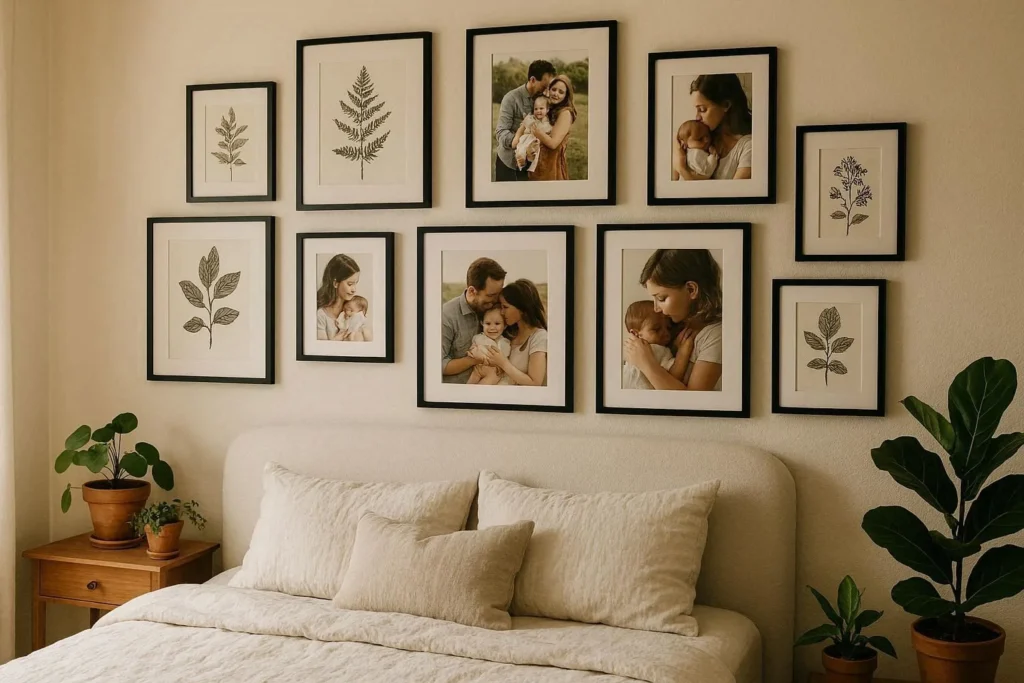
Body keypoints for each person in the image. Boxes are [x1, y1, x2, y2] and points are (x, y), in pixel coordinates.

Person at [623, 249, 723, 391]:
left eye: (661, 298)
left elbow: (695, 404)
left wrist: (646, 364)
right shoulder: (672, 328)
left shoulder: (716, 335)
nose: (656, 308)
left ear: (691, 289)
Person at [672, 74, 752, 181]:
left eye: (702, 109)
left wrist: (682, 169)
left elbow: (735, 196)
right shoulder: (695, 138)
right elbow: (672, 189)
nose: (697, 117)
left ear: (726, 105)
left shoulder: (749, 147)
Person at [441, 257, 506, 383]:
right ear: (472, 291)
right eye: (491, 295)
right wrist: (475, 359)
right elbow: (439, 365)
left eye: (499, 293)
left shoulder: (496, 307)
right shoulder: (446, 316)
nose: (495, 300)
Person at [478, 279, 548, 386]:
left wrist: (503, 363)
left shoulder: (539, 337)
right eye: (501, 307)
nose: (502, 312)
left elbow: (535, 383)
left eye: (505, 307)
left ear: (522, 308)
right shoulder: (509, 334)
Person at [494, 60, 555, 182]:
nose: (546, 91)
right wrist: (522, 145)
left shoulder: (545, 99)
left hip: (533, 166)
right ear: (532, 80)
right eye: (544, 86)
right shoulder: (511, 98)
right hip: (509, 164)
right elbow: (501, 133)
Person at [621, 300, 694, 390]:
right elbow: (674, 377)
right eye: (656, 329)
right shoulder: (659, 349)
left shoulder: (629, 350)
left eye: (668, 328)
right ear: (636, 334)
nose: (666, 333)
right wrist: (683, 353)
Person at [529, 75, 578, 182]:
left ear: (566, 95)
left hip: (552, 165)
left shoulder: (565, 113)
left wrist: (536, 131)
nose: (556, 94)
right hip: (540, 163)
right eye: (554, 89)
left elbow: (553, 143)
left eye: (561, 92)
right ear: (548, 90)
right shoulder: (548, 109)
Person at [316, 254, 373, 342]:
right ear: (335, 283)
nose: (354, 289)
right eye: (350, 284)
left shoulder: (355, 308)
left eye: (355, 283)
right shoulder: (321, 315)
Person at [467, 307, 512, 385]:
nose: (492, 328)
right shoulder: (478, 338)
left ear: (505, 326)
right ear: (482, 323)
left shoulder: (504, 343)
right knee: (468, 387)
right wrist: (473, 352)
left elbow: (504, 361)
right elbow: (472, 350)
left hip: (493, 373)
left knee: (481, 389)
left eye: (497, 324)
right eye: (488, 323)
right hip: (477, 370)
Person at [511, 94, 553, 172]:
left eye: (541, 108)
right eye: (536, 109)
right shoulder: (531, 118)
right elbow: (525, 124)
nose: (538, 111)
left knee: (533, 150)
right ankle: (521, 162)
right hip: (526, 138)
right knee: (520, 149)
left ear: (547, 110)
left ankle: (528, 162)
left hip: (535, 139)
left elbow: (546, 129)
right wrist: (526, 120)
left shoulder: (545, 121)